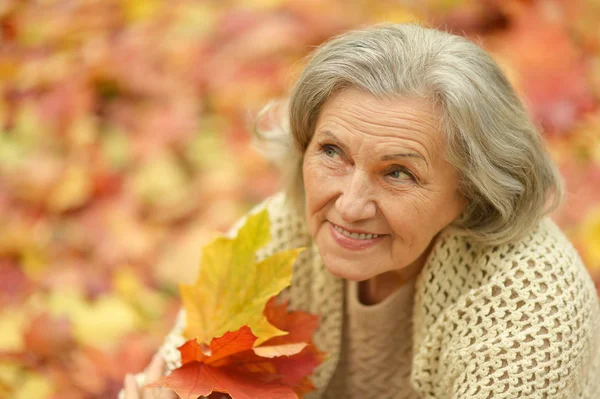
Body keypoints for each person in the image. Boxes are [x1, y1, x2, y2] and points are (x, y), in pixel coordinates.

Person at [122, 23, 600, 399]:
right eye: (333, 152)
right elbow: (176, 377)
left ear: (473, 191)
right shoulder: (283, 230)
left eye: (398, 173)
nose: (348, 207)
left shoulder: (531, 305)